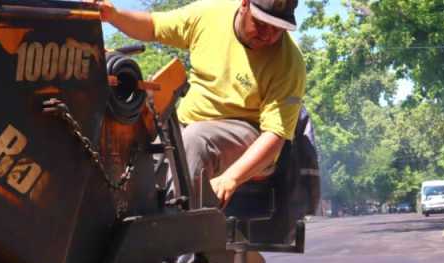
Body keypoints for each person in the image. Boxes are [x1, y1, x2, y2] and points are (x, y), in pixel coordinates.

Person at [95, 0, 307, 207]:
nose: (268, 35)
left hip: (249, 134)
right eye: (261, 24)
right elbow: (154, 26)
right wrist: (114, 15)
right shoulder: (209, 14)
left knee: (195, 140)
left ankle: (177, 230)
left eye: (277, 29)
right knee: (134, 146)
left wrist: (231, 178)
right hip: (187, 125)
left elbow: (275, 135)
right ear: (244, 4)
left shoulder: (289, 62)